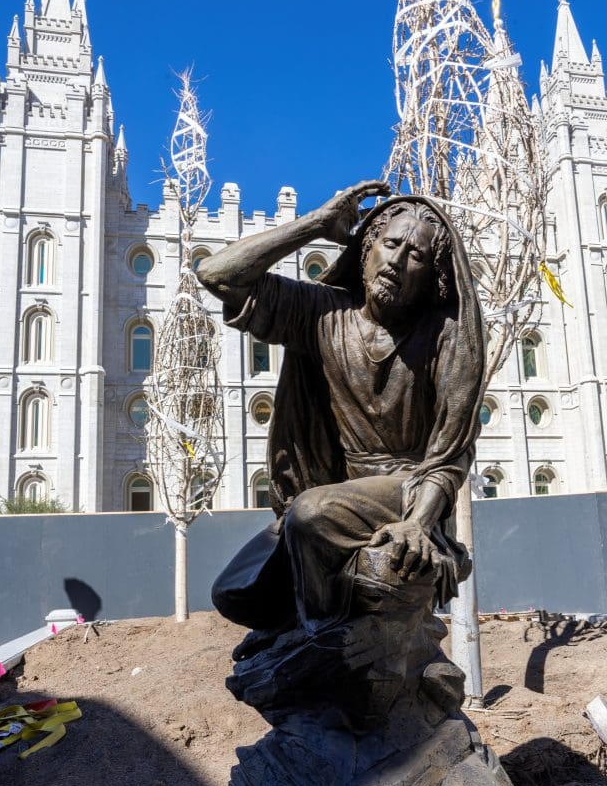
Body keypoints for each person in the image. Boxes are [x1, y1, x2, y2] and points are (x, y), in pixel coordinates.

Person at [197, 180, 485, 635]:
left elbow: (450, 456)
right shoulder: (323, 311)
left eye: (416, 255)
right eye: (390, 243)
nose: (396, 261)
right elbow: (217, 274)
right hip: (338, 486)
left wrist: (419, 524)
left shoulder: (446, 334)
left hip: (411, 485)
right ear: (366, 248)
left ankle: (329, 644)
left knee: (311, 515)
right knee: (234, 590)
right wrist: (316, 223)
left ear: (434, 276)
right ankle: (301, 636)